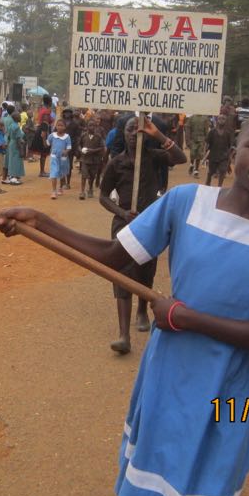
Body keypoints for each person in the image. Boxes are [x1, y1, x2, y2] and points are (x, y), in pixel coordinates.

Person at [0, 113, 249, 496]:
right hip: (168, 374)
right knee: (149, 482)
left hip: (228, 384)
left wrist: (187, 318)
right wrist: (41, 222)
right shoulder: (186, 202)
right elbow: (113, 256)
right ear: (233, 154)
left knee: (206, 491)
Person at [100, 116, 186, 353]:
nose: (133, 134)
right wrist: (122, 213)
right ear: (123, 133)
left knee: (146, 269)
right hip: (124, 224)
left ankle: (141, 310)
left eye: (138, 130)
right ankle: (123, 335)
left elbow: (180, 158)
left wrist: (157, 134)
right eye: (130, 129)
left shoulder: (154, 157)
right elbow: (103, 196)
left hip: (149, 223)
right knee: (122, 273)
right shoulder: (116, 163)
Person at [78, 118, 106, 199]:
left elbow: (102, 147)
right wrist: (81, 150)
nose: (92, 127)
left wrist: (93, 150)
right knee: (84, 175)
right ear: (87, 127)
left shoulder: (98, 137)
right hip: (85, 159)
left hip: (95, 160)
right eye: (90, 125)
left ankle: (90, 189)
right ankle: (82, 191)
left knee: (92, 175)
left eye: (93, 126)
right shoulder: (83, 135)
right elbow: (79, 145)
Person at [204, 115, 233, 187]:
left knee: (222, 171)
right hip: (213, 156)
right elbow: (207, 143)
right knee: (210, 172)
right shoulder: (212, 132)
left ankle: (219, 187)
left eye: (223, 119)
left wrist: (229, 158)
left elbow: (229, 146)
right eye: (220, 119)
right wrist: (205, 154)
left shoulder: (228, 133)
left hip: (223, 156)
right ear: (217, 120)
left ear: (226, 121)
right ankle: (207, 186)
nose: (221, 120)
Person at [46, 118, 72, 199]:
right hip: (54, 157)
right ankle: (54, 191)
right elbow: (47, 144)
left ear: (65, 127)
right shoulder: (52, 136)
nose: (60, 127)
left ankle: (60, 187)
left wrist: (66, 151)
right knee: (54, 173)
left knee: (62, 174)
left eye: (62, 125)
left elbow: (69, 147)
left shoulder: (67, 137)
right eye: (58, 125)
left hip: (63, 159)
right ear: (56, 126)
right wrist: (43, 138)